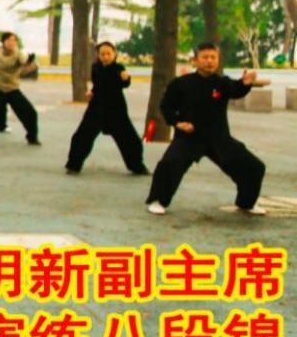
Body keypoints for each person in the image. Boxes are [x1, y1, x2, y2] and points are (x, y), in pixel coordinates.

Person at [145, 42, 267, 216]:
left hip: (219, 138)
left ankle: (246, 203)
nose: (210, 61)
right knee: (169, 164)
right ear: (195, 60)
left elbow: (236, 90)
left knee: (254, 167)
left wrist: (246, 83)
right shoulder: (181, 83)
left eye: (213, 57)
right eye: (205, 57)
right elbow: (166, 106)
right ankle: (158, 200)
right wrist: (178, 123)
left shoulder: (222, 83)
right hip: (189, 137)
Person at [65, 42, 147, 175]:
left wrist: (126, 78)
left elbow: (124, 83)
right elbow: (97, 84)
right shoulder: (95, 68)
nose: (106, 57)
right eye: (102, 54)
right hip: (97, 107)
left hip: (116, 108)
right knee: (82, 136)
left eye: (109, 53)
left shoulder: (118, 68)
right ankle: (73, 165)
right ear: (98, 55)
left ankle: (137, 166)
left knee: (130, 139)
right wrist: (92, 91)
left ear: (114, 54)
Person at [0, 32, 39, 145]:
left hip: (12, 89)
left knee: (30, 113)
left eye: (14, 40)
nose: (11, 43)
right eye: (9, 40)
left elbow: (23, 61)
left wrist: (29, 61)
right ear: (3, 42)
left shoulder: (18, 53)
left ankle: (32, 137)